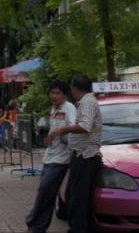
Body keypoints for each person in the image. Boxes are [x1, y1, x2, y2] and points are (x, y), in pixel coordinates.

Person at [47, 74, 103, 233]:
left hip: (87, 156)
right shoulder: (85, 102)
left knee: (78, 197)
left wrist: (62, 129)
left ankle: (79, 228)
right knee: (72, 194)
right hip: (81, 155)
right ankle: (78, 226)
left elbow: (85, 126)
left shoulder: (88, 102)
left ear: (74, 88)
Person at [25, 80, 76, 233]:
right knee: (46, 194)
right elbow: (54, 128)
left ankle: (34, 224)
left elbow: (75, 127)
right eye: (52, 93)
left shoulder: (69, 108)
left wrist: (59, 132)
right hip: (50, 156)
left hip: (61, 159)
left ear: (65, 95)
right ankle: (37, 227)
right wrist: (49, 137)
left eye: (57, 93)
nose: (54, 96)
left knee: (45, 191)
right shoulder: (54, 108)